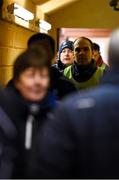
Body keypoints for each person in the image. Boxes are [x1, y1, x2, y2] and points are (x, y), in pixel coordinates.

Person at [28, 28, 119, 179]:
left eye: (86, 49)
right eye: (78, 50)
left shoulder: (102, 74)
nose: (82, 53)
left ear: (93, 53)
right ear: (74, 53)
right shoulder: (64, 76)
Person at [0, 48, 57, 178]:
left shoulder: (59, 115)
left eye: (43, 75)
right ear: (17, 81)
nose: (37, 82)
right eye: (31, 75)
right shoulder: (4, 116)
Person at [27, 33, 77, 99]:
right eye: (35, 50)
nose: (40, 53)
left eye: (45, 49)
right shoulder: (18, 83)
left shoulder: (65, 84)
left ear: (53, 54)